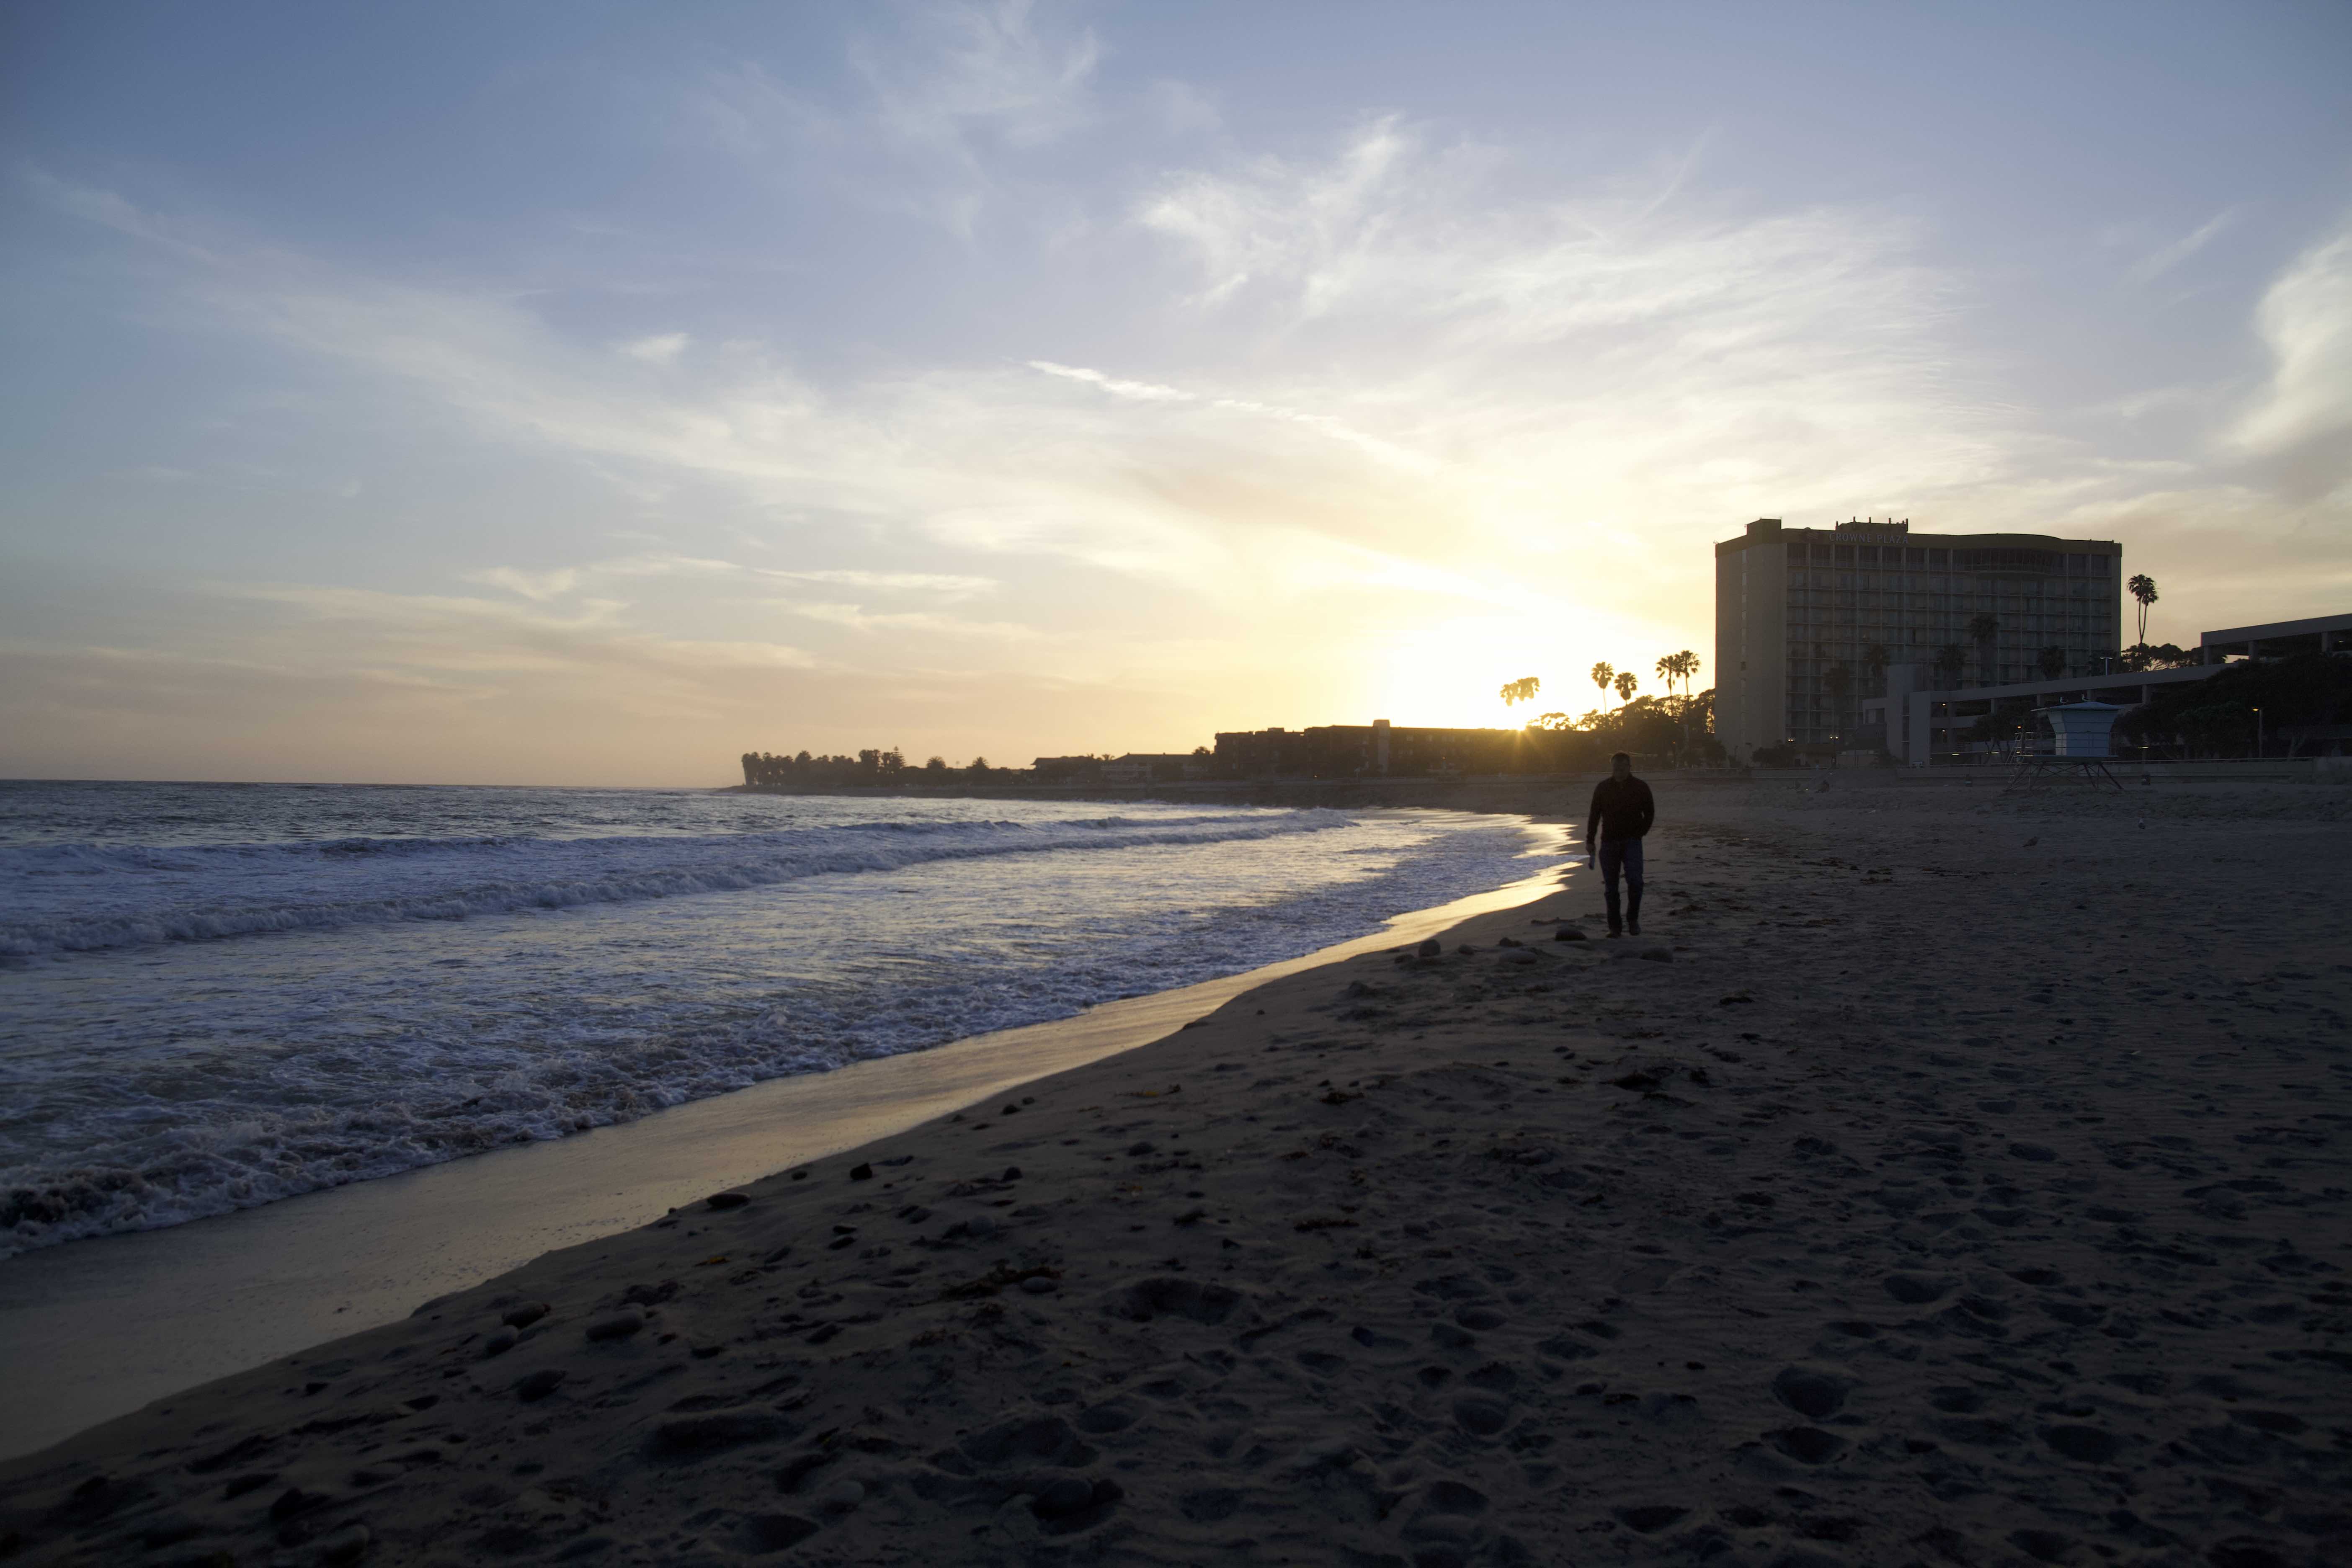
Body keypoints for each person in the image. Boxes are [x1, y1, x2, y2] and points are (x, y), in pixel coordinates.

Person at [1584, 751, 1655, 936]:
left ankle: (1633, 921)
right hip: (1609, 843)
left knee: (1636, 882)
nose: (1619, 773)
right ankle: (1615, 927)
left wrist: (1640, 832)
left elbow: (1650, 813)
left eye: (1623, 769)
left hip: (1633, 842)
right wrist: (1590, 840)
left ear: (1629, 768)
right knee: (1611, 888)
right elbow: (1594, 816)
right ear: (1612, 768)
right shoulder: (1603, 788)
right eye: (1616, 769)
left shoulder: (1641, 787)